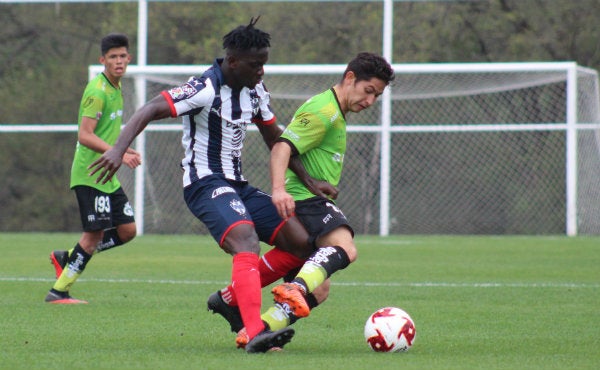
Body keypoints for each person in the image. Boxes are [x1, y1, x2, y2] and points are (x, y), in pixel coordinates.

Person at [88, 18, 334, 353]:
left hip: (238, 185)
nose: (261, 71)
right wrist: (117, 149)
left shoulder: (255, 90)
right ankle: (255, 331)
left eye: (264, 63)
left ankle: (230, 300)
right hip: (204, 184)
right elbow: (149, 108)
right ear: (233, 62)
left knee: (303, 243)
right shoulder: (204, 87)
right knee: (245, 240)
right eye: (255, 64)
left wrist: (309, 180)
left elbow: (275, 138)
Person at [261, 52, 395, 332]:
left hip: (308, 195)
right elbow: (281, 146)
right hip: (303, 201)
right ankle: (295, 287)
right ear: (350, 78)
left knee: (319, 290)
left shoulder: (335, 110)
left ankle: (259, 331)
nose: (370, 101)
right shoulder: (325, 112)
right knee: (345, 246)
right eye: (368, 91)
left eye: (376, 96)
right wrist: (279, 190)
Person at [44, 33, 141, 305]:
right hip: (90, 174)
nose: (119, 61)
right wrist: (118, 154)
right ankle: (58, 292)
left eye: (123, 56)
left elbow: (104, 133)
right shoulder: (97, 91)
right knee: (94, 235)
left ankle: (69, 257)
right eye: (113, 57)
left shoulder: (116, 87)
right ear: (103, 60)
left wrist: (124, 149)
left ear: (129, 58)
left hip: (106, 174)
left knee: (127, 231)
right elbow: (85, 135)